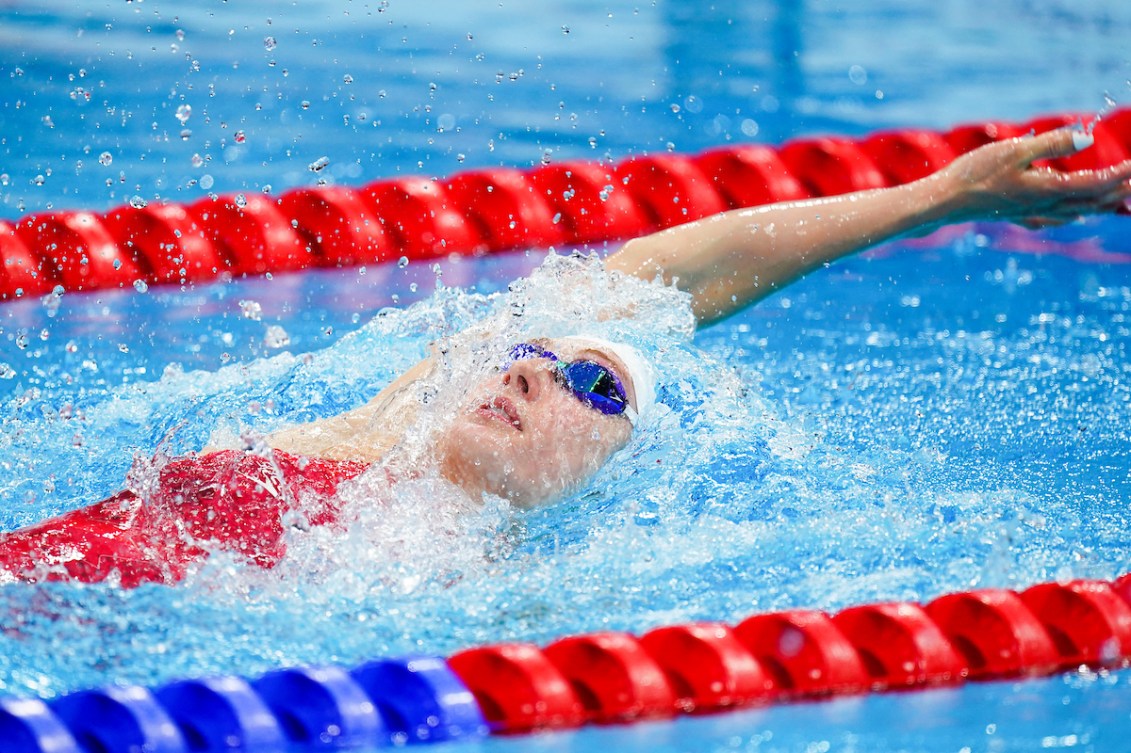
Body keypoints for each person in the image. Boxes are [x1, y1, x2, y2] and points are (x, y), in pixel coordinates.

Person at [2, 127, 1129, 587]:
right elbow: (678, 275)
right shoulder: (384, 435)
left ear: (626, 471)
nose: (532, 371)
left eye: (598, 387)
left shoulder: (495, 586)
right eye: (532, 352)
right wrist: (932, 197)